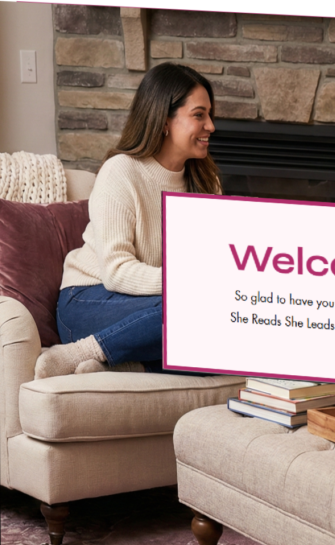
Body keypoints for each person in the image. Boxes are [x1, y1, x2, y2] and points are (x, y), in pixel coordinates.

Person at [34, 62, 224, 379]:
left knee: (231, 323)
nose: (211, 126)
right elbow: (117, 272)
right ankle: (79, 353)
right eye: (199, 115)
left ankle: (128, 364)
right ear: (165, 120)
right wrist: (188, 285)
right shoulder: (121, 172)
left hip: (153, 306)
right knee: (193, 313)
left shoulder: (207, 183)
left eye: (209, 115)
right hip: (88, 300)